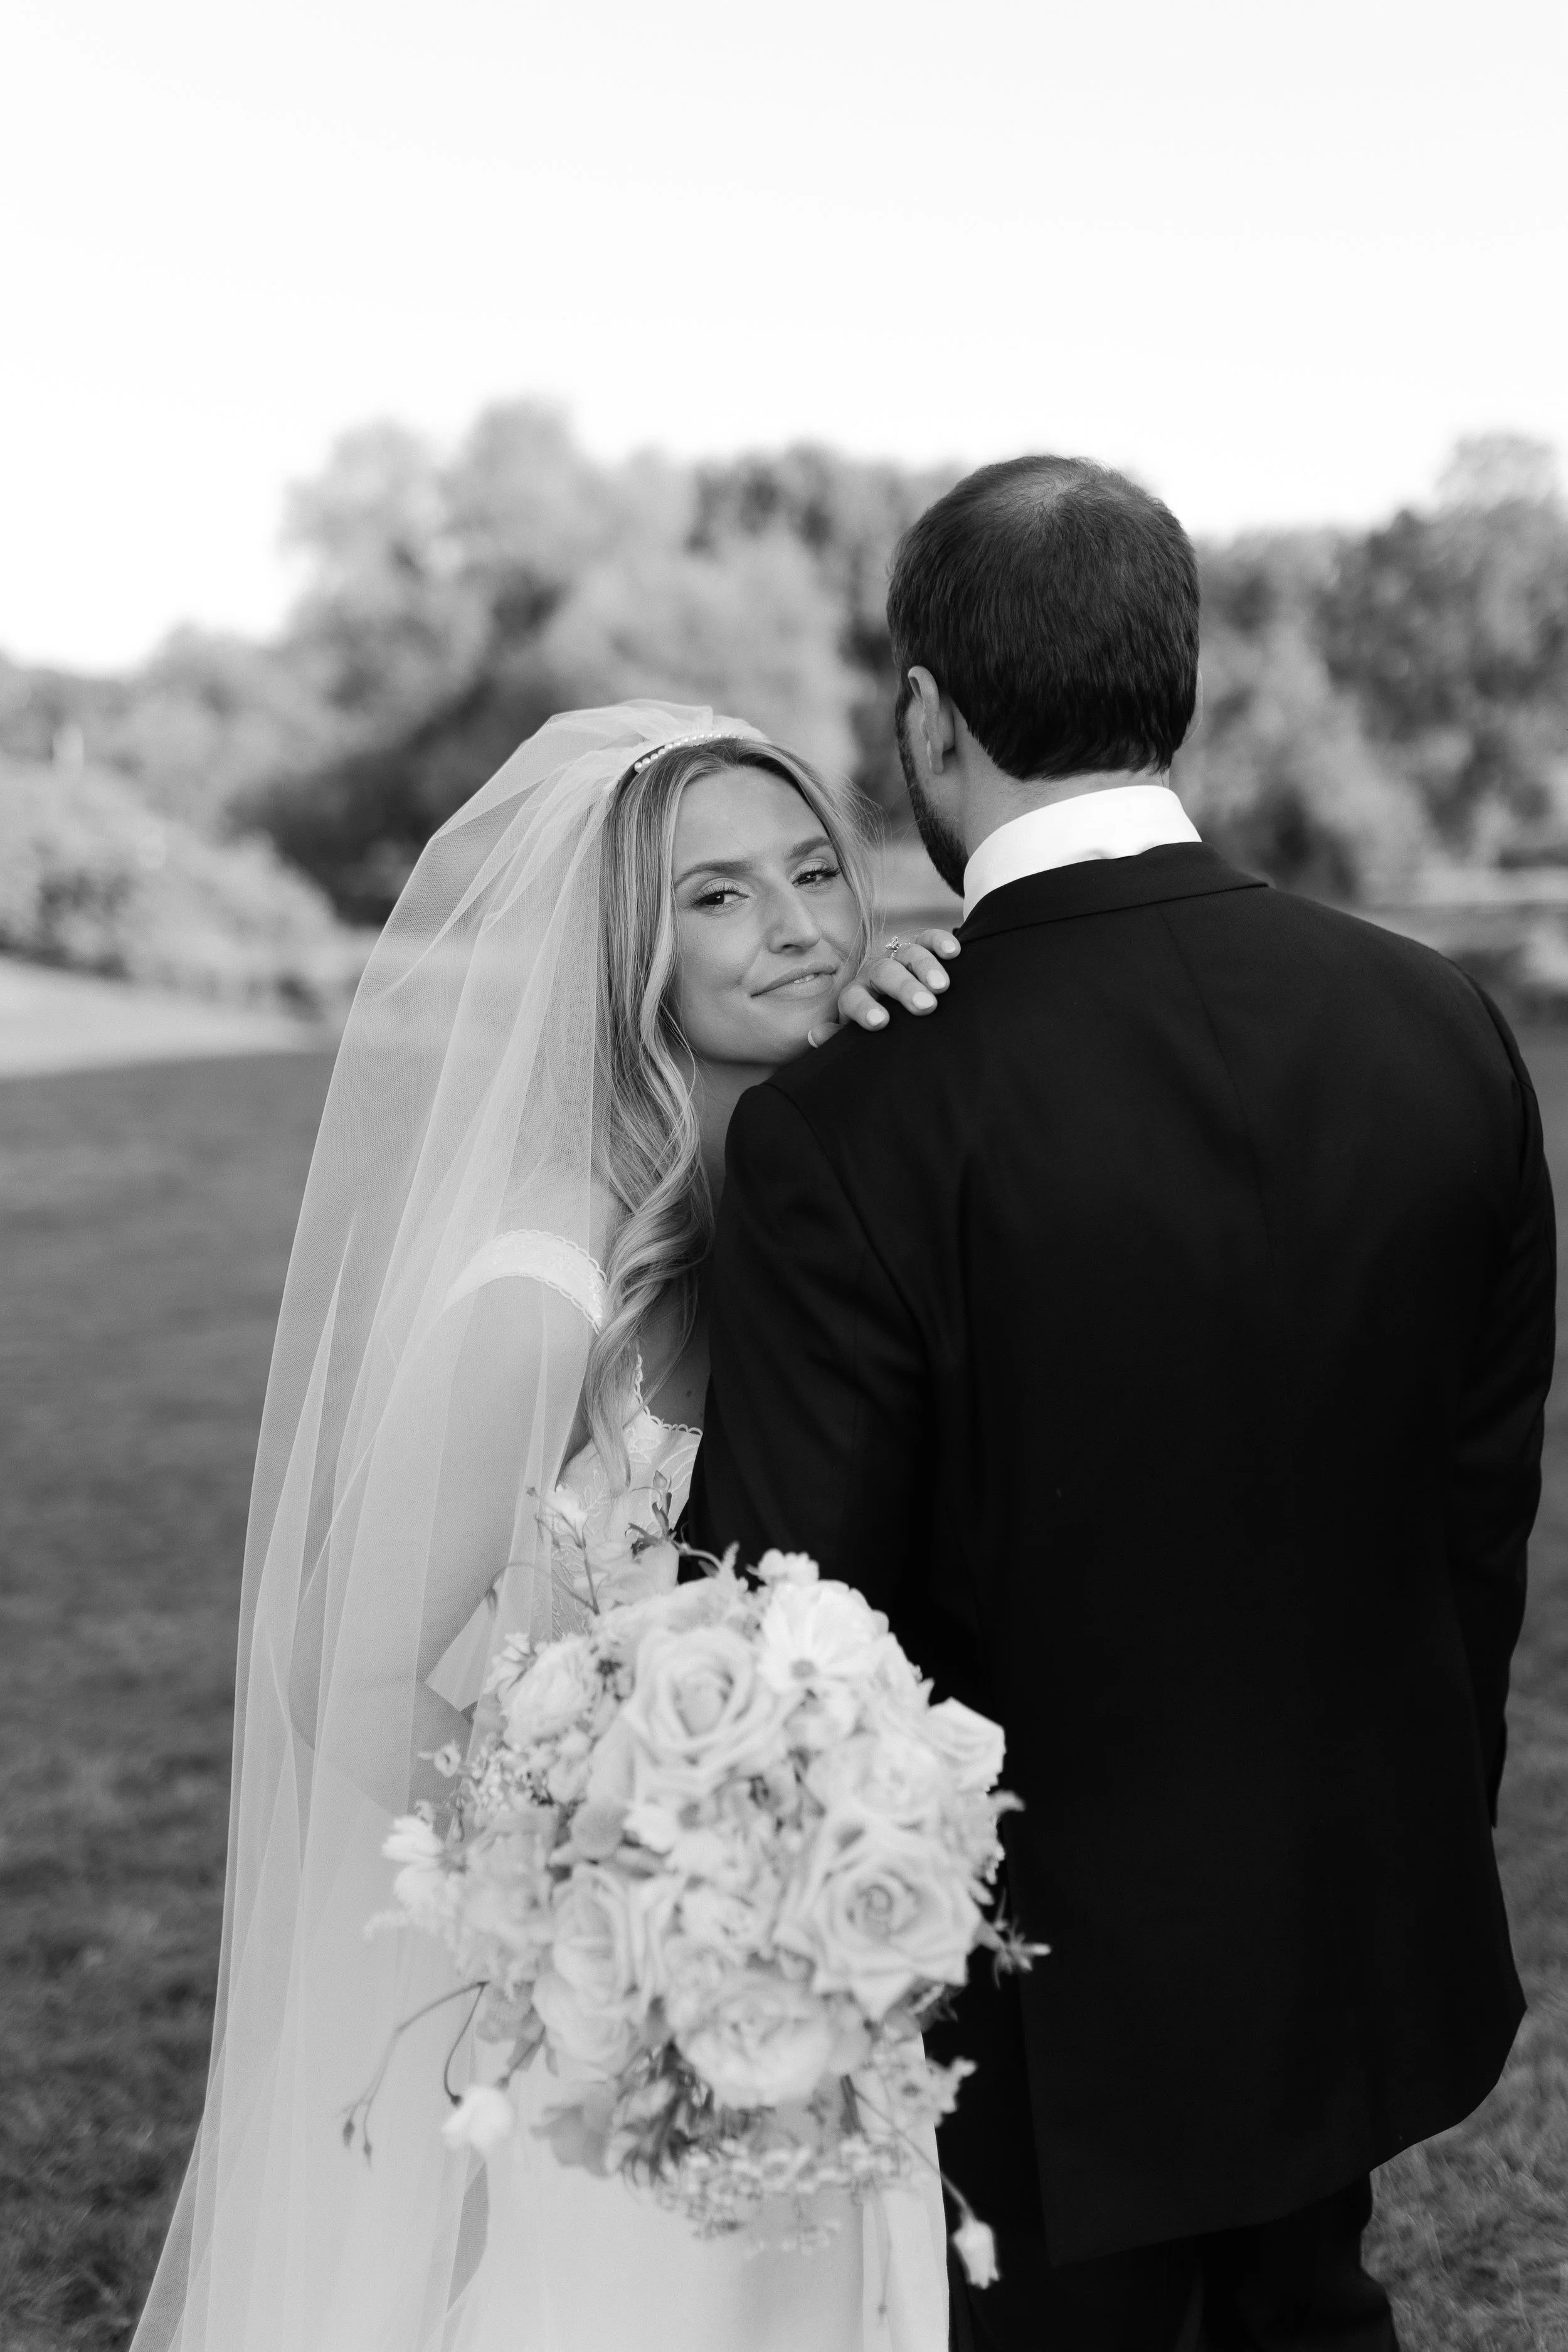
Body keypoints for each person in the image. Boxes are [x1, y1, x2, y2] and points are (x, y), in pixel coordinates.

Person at [687, 458, 1557, 2352]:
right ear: (1177, 677)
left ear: (925, 710)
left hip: (1032, 2006)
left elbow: (786, 1623)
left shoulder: (854, 1122)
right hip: (1353, 1899)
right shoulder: (1438, 1023)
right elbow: (1476, 1507)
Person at [129, 701, 960, 2352]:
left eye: (813, 872)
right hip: (599, 1994)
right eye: (718, 896)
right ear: (625, 957)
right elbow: (342, 1674)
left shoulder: (792, 1215)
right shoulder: (538, 1287)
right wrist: (619, 1908)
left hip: (773, 1981)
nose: (795, 924)